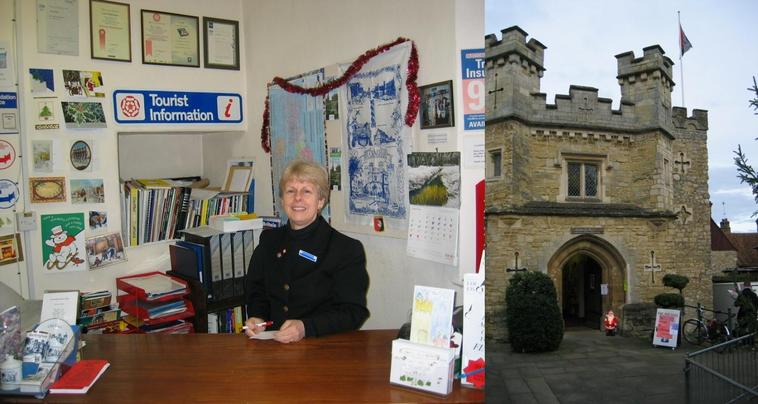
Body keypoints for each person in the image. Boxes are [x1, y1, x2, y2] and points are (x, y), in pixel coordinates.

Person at [244, 160, 370, 343]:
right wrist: (258, 318)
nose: (297, 198)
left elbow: (353, 312)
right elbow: (257, 291)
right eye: (290, 191)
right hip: (272, 345)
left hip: (322, 347)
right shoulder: (269, 241)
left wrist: (306, 327)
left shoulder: (346, 249)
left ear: (320, 201)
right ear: (282, 199)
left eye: (306, 191)